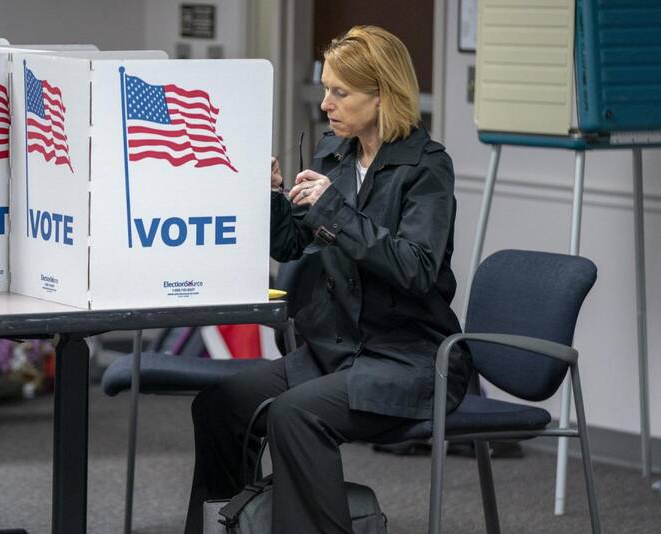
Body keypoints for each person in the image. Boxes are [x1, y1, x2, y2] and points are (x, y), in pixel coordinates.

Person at [185, 26, 472, 534]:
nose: (325, 104)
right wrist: (271, 195)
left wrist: (332, 210)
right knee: (220, 406)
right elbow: (291, 245)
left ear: (382, 95)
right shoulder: (334, 154)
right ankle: (226, 528)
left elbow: (416, 268)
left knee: (295, 415)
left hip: (408, 359)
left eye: (340, 92)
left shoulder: (427, 167)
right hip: (333, 352)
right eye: (325, 89)